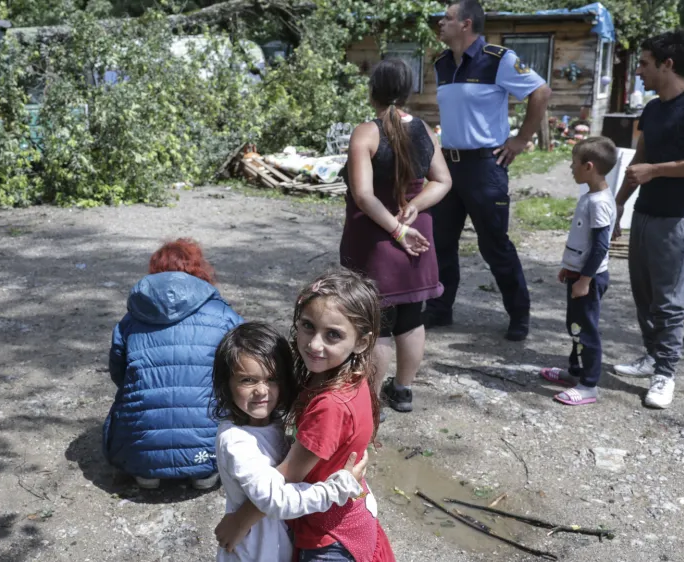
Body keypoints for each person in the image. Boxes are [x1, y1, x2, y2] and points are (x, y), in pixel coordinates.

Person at [216, 270, 395, 562]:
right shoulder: (344, 376)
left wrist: (239, 521)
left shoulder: (330, 404)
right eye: (308, 326)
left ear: (362, 342)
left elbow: (286, 479)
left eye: (333, 335)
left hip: (328, 539)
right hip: (348, 517)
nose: (314, 344)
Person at [425, 0, 552, 341]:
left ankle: (519, 314)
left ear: (466, 24)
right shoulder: (440, 63)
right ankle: (440, 309)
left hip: (485, 167)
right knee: (441, 243)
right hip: (448, 169)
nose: (441, 23)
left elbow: (541, 91)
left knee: (494, 244)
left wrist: (522, 139)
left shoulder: (499, 59)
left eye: (447, 18)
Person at [611, 31, 684, 409]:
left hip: (680, 216)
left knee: (669, 302)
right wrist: (617, 208)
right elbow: (637, 163)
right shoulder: (654, 108)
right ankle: (651, 357)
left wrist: (656, 171)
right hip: (645, 211)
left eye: (643, 63)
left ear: (667, 64)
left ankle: (666, 374)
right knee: (644, 295)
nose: (638, 71)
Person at [341, 58, 452, 413]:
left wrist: (397, 229)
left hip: (379, 238)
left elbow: (363, 195)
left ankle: (370, 403)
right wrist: (416, 207)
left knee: (379, 325)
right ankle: (402, 391)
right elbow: (443, 180)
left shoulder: (367, 132)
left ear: (372, 91)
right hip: (417, 237)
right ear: (407, 91)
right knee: (412, 317)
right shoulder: (423, 129)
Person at [212, 322, 368, 562]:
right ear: (226, 385)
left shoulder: (270, 422)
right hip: (254, 554)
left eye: (272, 379)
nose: (262, 391)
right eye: (248, 380)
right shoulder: (235, 441)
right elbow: (276, 499)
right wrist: (336, 489)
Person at [105, 238, 242, 490]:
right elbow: (243, 370)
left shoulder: (132, 318)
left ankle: (148, 472)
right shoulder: (224, 315)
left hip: (139, 455)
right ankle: (203, 472)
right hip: (206, 452)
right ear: (200, 270)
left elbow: (119, 373)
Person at [539, 137, 617, 405]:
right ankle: (575, 372)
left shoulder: (599, 203)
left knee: (585, 330)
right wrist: (568, 268)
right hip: (578, 274)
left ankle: (589, 385)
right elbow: (582, 242)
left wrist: (584, 279)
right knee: (574, 327)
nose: (571, 168)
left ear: (589, 166)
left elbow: (599, 248)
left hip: (589, 279)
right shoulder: (591, 196)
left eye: (574, 163)